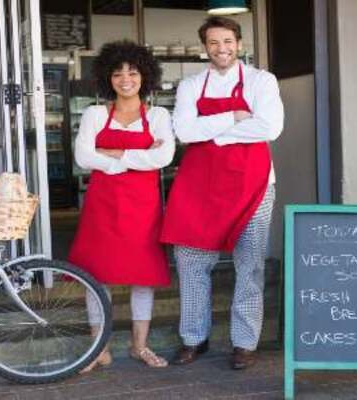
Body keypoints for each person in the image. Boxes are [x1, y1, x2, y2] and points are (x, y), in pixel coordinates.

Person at [161, 16, 284, 370]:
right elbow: (184, 131)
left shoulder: (261, 80)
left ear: (239, 44)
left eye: (227, 41)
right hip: (201, 185)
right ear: (205, 48)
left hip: (254, 185)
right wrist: (234, 116)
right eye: (214, 43)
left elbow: (270, 127)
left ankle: (244, 343)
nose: (221, 49)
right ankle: (193, 339)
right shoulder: (190, 85)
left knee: (250, 266)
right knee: (191, 263)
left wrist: (210, 133)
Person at [68, 40, 175, 371]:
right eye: (117, 73)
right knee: (96, 275)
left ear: (145, 75)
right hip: (103, 204)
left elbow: (165, 156)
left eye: (132, 71)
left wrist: (114, 154)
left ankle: (138, 346)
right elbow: (83, 156)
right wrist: (134, 159)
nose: (125, 78)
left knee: (142, 275)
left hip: (142, 207)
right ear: (107, 78)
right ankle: (98, 349)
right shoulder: (95, 113)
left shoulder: (158, 115)